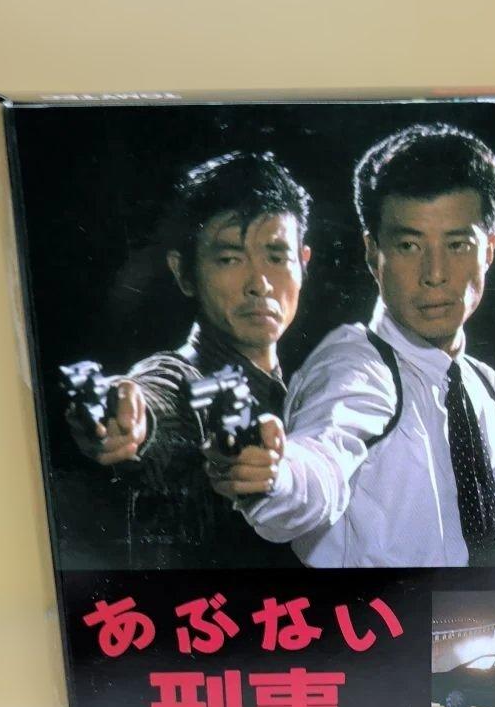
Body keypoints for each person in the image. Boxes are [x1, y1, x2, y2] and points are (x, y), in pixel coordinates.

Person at [215, 124, 495, 567]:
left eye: (458, 245)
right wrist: (276, 476)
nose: (435, 274)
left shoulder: (491, 390)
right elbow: (320, 459)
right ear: (372, 253)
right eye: (408, 245)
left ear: (489, 250)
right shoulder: (354, 366)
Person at [65, 151, 312, 567]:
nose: (259, 284)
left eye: (276, 257)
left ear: (303, 264)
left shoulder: (306, 392)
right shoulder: (182, 379)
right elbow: (155, 395)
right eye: (230, 259)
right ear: (184, 272)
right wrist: (124, 413)